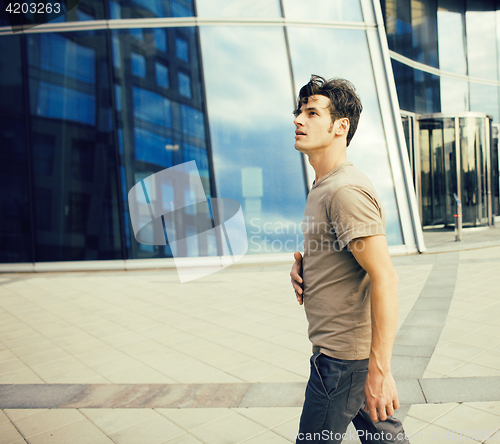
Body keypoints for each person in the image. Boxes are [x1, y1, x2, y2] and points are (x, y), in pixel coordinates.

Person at [290, 75, 409, 444]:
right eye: (299, 111)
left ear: (341, 126)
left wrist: (379, 371)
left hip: (342, 363)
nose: (298, 120)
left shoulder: (344, 190)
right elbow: (346, 258)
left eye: (312, 113)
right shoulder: (324, 185)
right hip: (344, 357)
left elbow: (384, 277)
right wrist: (306, 265)